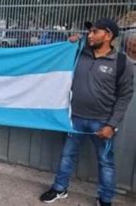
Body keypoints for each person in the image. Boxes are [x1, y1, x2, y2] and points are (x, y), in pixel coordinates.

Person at [39, 18, 134, 206]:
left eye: (95, 32)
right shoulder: (79, 53)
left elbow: (124, 97)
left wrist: (111, 125)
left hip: (103, 122)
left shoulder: (122, 63)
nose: (90, 35)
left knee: (106, 163)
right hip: (74, 118)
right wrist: (68, 44)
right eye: (89, 32)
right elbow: (53, 56)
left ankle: (105, 199)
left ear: (108, 36)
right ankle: (59, 188)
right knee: (67, 155)